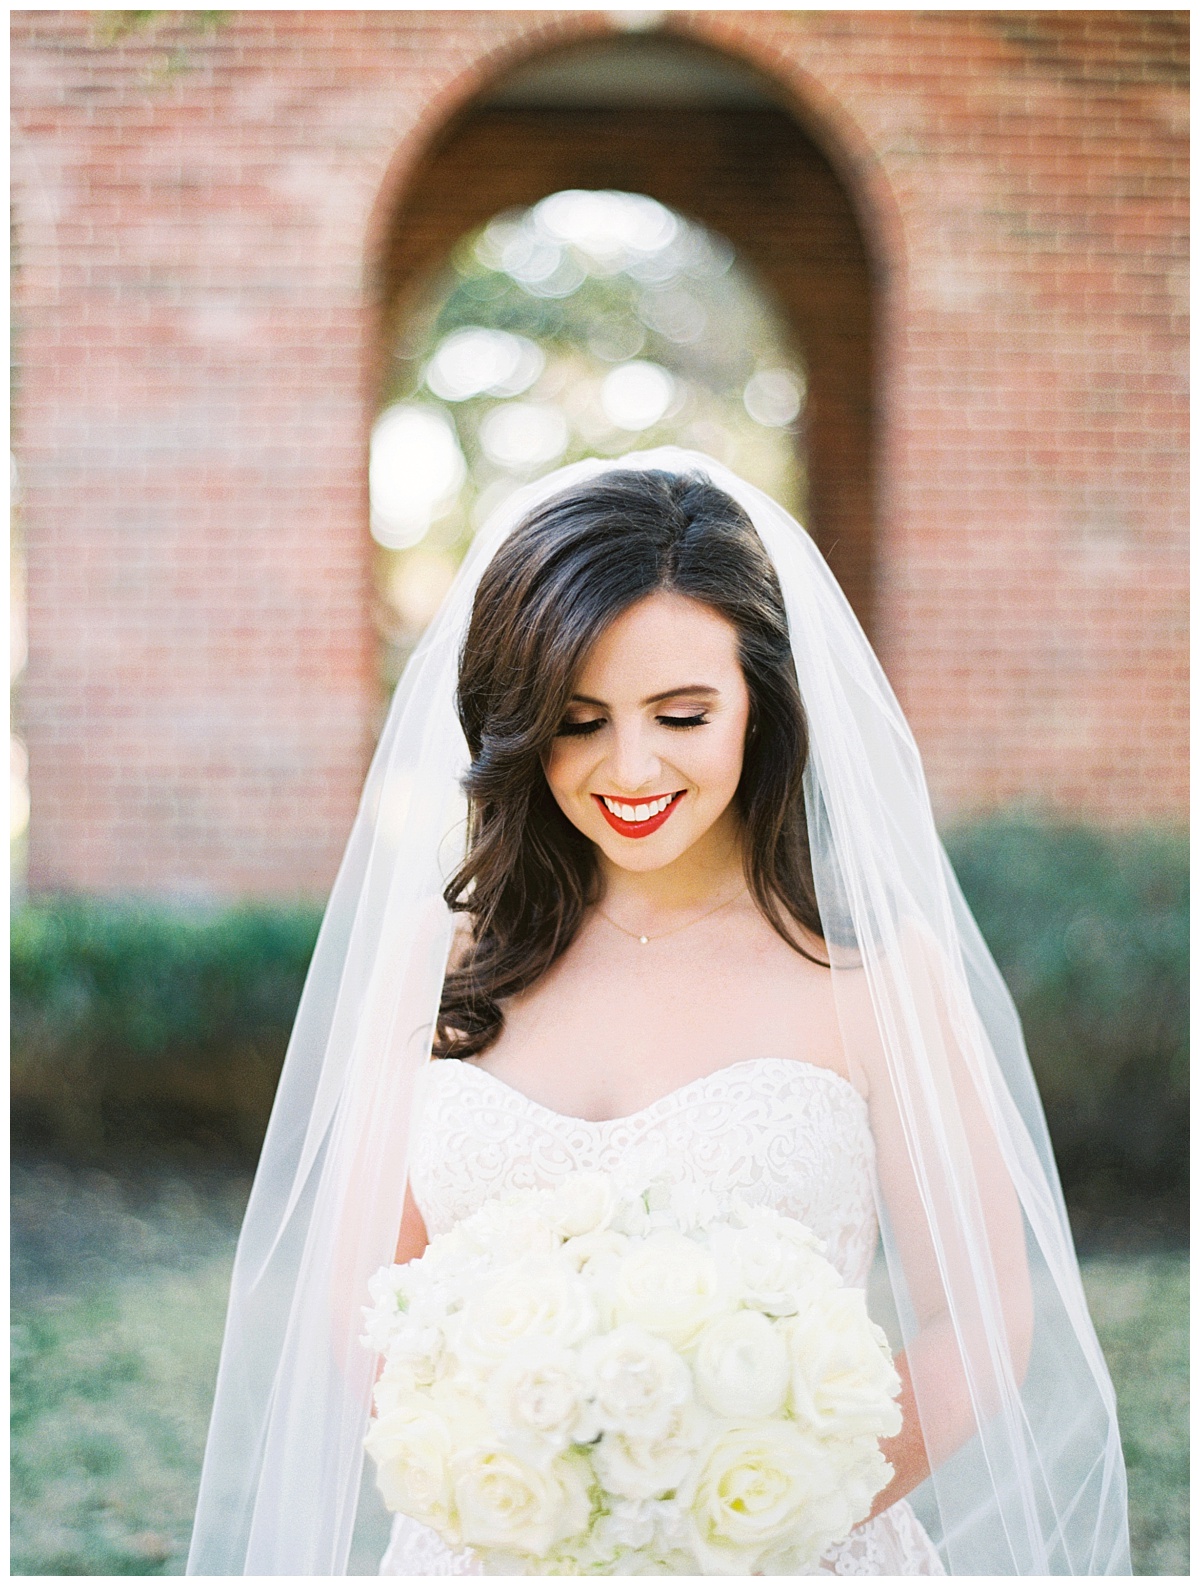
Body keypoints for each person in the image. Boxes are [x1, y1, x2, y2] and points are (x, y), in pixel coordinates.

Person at [187, 450, 1129, 1577]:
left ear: (762, 705)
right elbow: (365, 1296)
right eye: (577, 721)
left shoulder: (877, 976)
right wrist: (521, 1501)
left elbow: (978, 1326)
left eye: (681, 712)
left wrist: (742, 1524)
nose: (629, 766)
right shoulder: (444, 963)